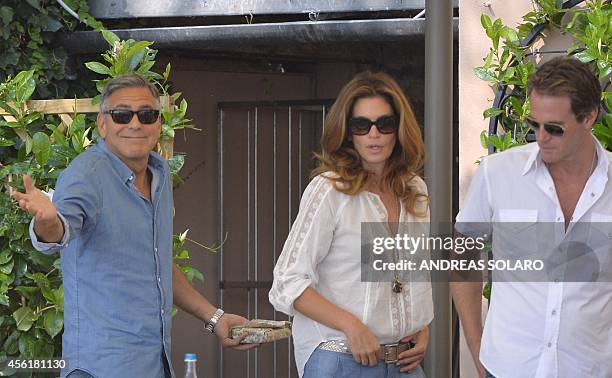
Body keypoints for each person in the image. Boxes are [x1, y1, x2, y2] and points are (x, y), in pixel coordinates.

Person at [12, 74, 255, 378]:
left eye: (147, 115)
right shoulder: (86, 175)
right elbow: (59, 230)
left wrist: (214, 317)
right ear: (103, 124)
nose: (135, 124)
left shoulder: (160, 172)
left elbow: (157, 264)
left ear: (158, 123)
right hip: (101, 369)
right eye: (122, 115)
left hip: (154, 363)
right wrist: (48, 222)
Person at [451, 56, 612, 378]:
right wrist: (475, 341)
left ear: (589, 116)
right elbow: (461, 251)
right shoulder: (498, 173)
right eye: (533, 125)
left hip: (589, 368)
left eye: (554, 128)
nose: (540, 138)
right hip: (506, 365)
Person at [269, 71, 433, 377]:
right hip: (340, 358)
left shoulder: (415, 190)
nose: (374, 134)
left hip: (403, 363)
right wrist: (351, 325)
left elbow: (410, 274)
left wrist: (420, 325)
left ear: (399, 129)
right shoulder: (330, 190)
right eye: (362, 125)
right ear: (347, 132)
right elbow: (288, 282)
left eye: (385, 124)